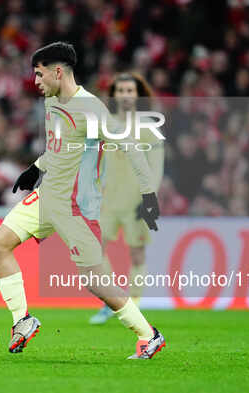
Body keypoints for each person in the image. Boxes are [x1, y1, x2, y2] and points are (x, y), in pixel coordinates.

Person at [0, 42, 166, 359]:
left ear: (58, 72)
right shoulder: (51, 101)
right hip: (46, 198)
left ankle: (149, 335)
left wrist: (148, 194)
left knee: (97, 283)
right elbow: (59, 147)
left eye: (40, 75)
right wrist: (35, 168)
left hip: (76, 208)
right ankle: (22, 322)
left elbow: (131, 148)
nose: (37, 82)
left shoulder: (91, 109)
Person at [89, 73, 165, 324]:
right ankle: (112, 303)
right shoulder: (104, 123)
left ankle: (135, 305)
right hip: (107, 200)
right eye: (120, 90)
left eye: (130, 91)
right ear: (114, 95)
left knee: (137, 254)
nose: (125, 95)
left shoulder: (148, 127)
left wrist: (148, 198)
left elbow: (156, 166)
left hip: (135, 201)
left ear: (138, 95)